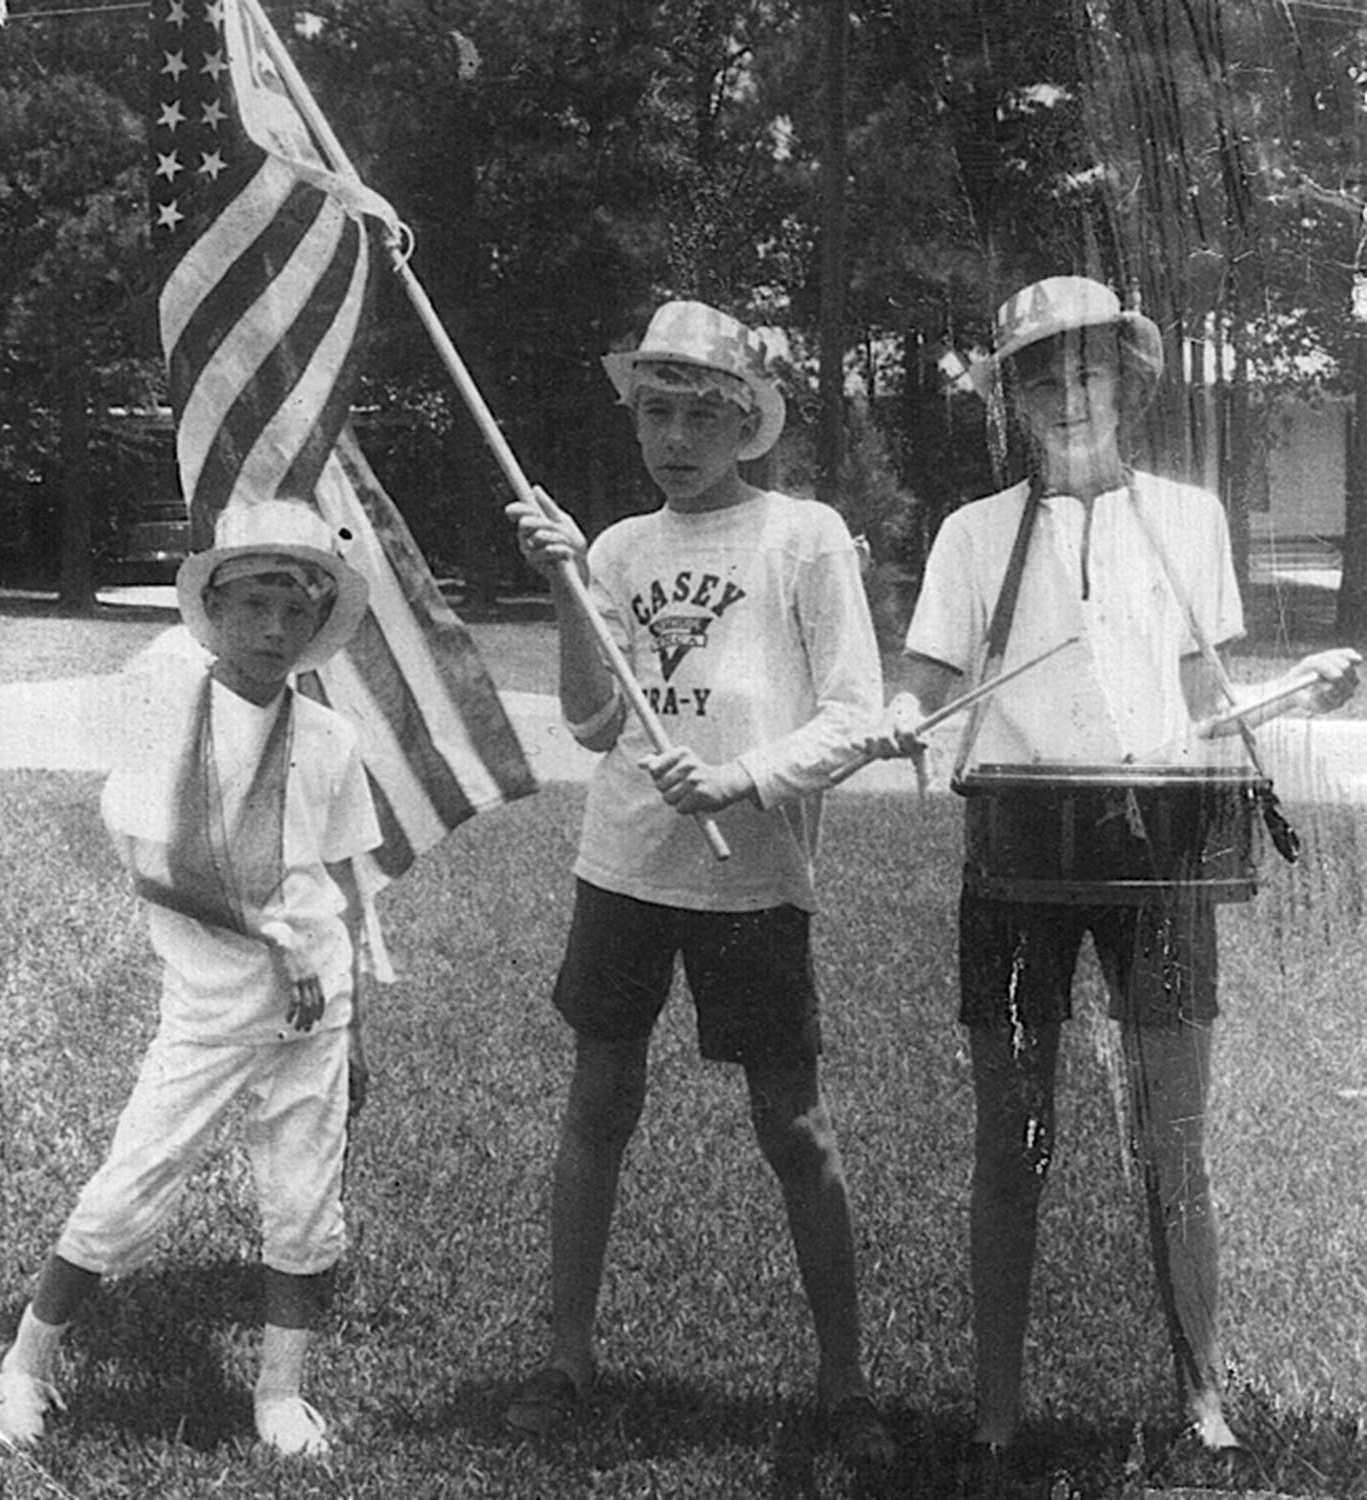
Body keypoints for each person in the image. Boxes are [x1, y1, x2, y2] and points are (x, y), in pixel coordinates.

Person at [894, 275, 1360, 1479]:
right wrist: (899, 721)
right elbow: (929, 692)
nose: (1065, 395)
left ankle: (1202, 1393)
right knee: (1015, 1139)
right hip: (1016, 860)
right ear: (1011, 399)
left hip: (1160, 863)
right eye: (1038, 377)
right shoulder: (969, 535)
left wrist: (1291, 693)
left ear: (1131, 384)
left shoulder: (1192, 520)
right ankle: (996, 1406)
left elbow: (1210, 713)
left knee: (1176, 1136)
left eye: (1087, 370)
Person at [501, 299, 903, 1463]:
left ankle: (845, 1382)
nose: (675, 438)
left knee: (793, 1123)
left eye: (700, 415)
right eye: (655, 412)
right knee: (599, 1106)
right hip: (625, 863)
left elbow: (855, 717)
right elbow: (589, 720)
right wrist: (568, 588)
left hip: (755, 876)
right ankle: (569, 1357)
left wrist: (741, 781)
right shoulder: (622, 550)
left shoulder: (804, 535)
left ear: (749, 422)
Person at [0, 498, 379, 1460]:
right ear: (215, 606)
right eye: (254, 605)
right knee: (129, 1189)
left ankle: (279, 1395)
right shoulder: (171, 715)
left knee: (304, 1206)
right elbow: (151, 865)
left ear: (319, 621)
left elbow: (344, 885)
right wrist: (264, 934)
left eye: (296, 611)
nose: (275, 629)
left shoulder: (327, 741)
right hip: (211, 1010)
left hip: (312, 1014)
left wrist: (351, 1012)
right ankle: (24, 1368)